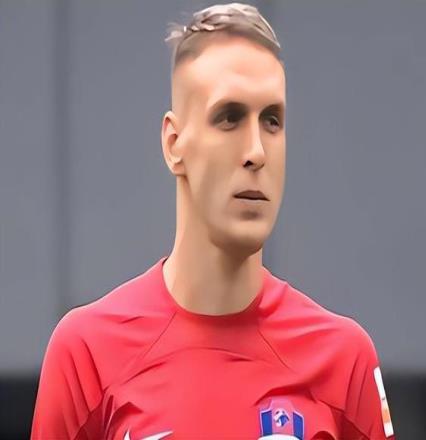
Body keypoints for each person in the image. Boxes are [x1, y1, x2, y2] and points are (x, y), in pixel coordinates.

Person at [31, 3, 395, 439]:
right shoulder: (86, 355)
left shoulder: (344, 361)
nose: (256, 151)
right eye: (229, 118)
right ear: (174, 144)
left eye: (272, 121)